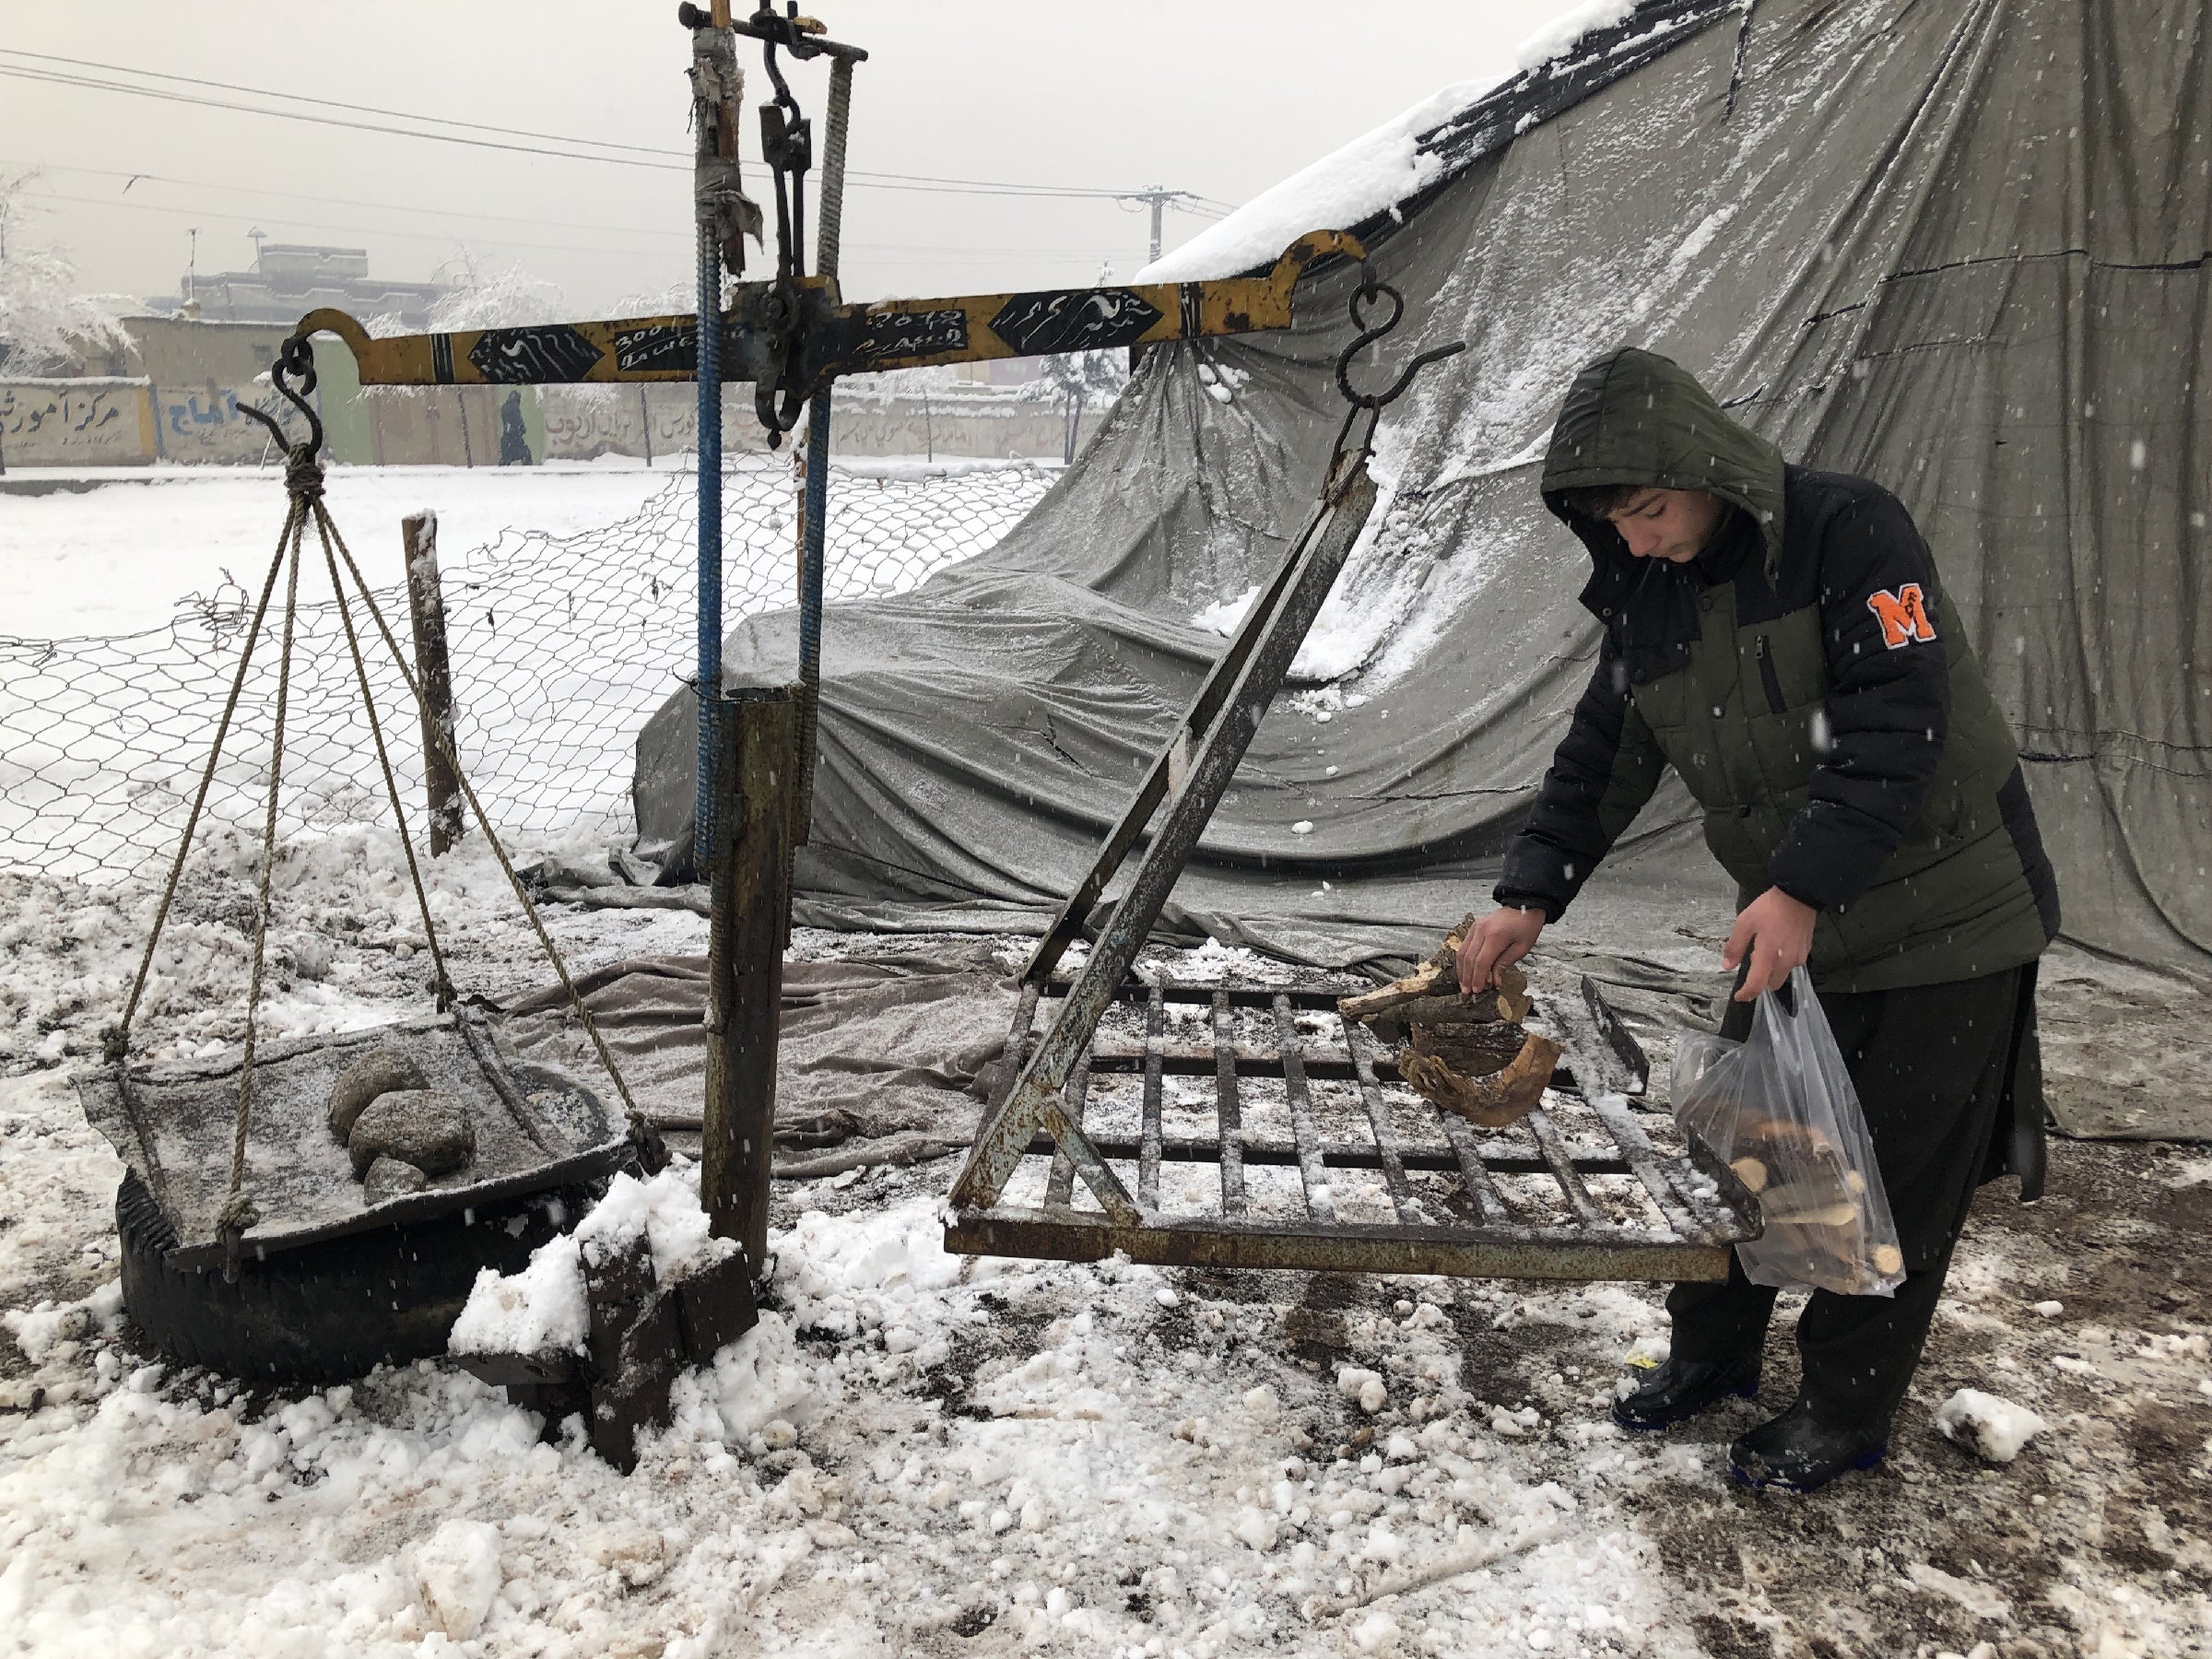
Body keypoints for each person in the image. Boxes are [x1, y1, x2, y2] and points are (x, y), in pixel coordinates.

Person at [1458, 347, 2059, 1493]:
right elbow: (1603, 755)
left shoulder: (1848, 532)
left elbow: (1900, 718)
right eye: (1613, 523)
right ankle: (1713, 1356)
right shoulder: (1649, 587)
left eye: (1650, 508)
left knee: (1886, 1177)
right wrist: (1528, 892)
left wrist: (1802, 888)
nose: (1636, 538)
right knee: (1746, 1146)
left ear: (1707, 468)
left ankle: (1843, 1410)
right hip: (1792, 913)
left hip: (1951, 914)